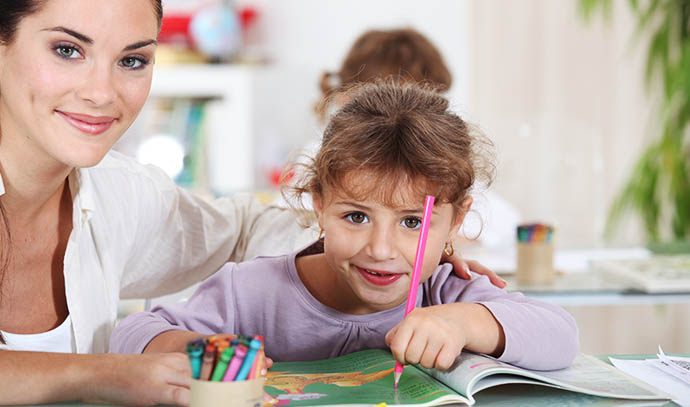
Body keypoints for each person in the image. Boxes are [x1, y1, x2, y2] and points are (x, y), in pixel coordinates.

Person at [0, 2, 501, 405]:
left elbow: (244, 228)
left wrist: (402, 240)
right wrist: (103, 375)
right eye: (67, 49)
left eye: (132, 60)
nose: (101, 92)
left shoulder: (121, 195)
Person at [112, 82, 578, 375]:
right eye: (356, 217)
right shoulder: (246, 291)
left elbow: (561, 335)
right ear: (319, 206)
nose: (380, 249)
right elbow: (129, 336)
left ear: (456, 220)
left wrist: (464, 321)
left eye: (413, 222)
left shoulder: (447, 291)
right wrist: (197, 348)